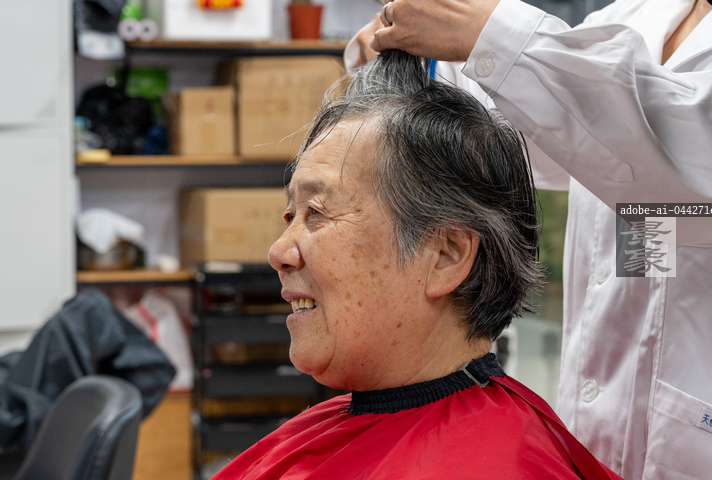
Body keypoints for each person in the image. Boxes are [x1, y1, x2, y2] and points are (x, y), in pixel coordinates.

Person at [345, 1, 712, 479]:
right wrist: (432, 51)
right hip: (599, 429)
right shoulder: (640, 14)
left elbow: (695, 172)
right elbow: (551, 135)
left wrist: (492, 36)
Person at [211, 50, 621, 480]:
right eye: (290, 215)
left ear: (445, 256)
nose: (279, 252)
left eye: (316, 212)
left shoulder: (496, 465)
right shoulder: (335, 425)